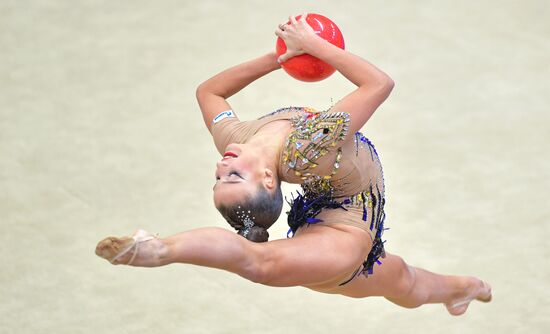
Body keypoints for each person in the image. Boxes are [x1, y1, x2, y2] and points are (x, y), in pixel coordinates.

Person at [95, 14, 491, 316]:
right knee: (263, 264)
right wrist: (317, 47)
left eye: (217, 177)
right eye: (232, 176)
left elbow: (209, 91)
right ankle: (161, 250)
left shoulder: (236, 139)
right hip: (343, 243)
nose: (222, 165)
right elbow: (378, 84)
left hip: (322, 224)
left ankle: (460, 290)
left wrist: (278, 57)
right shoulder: (311, 147)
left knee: (402, 278)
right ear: (269, 179)